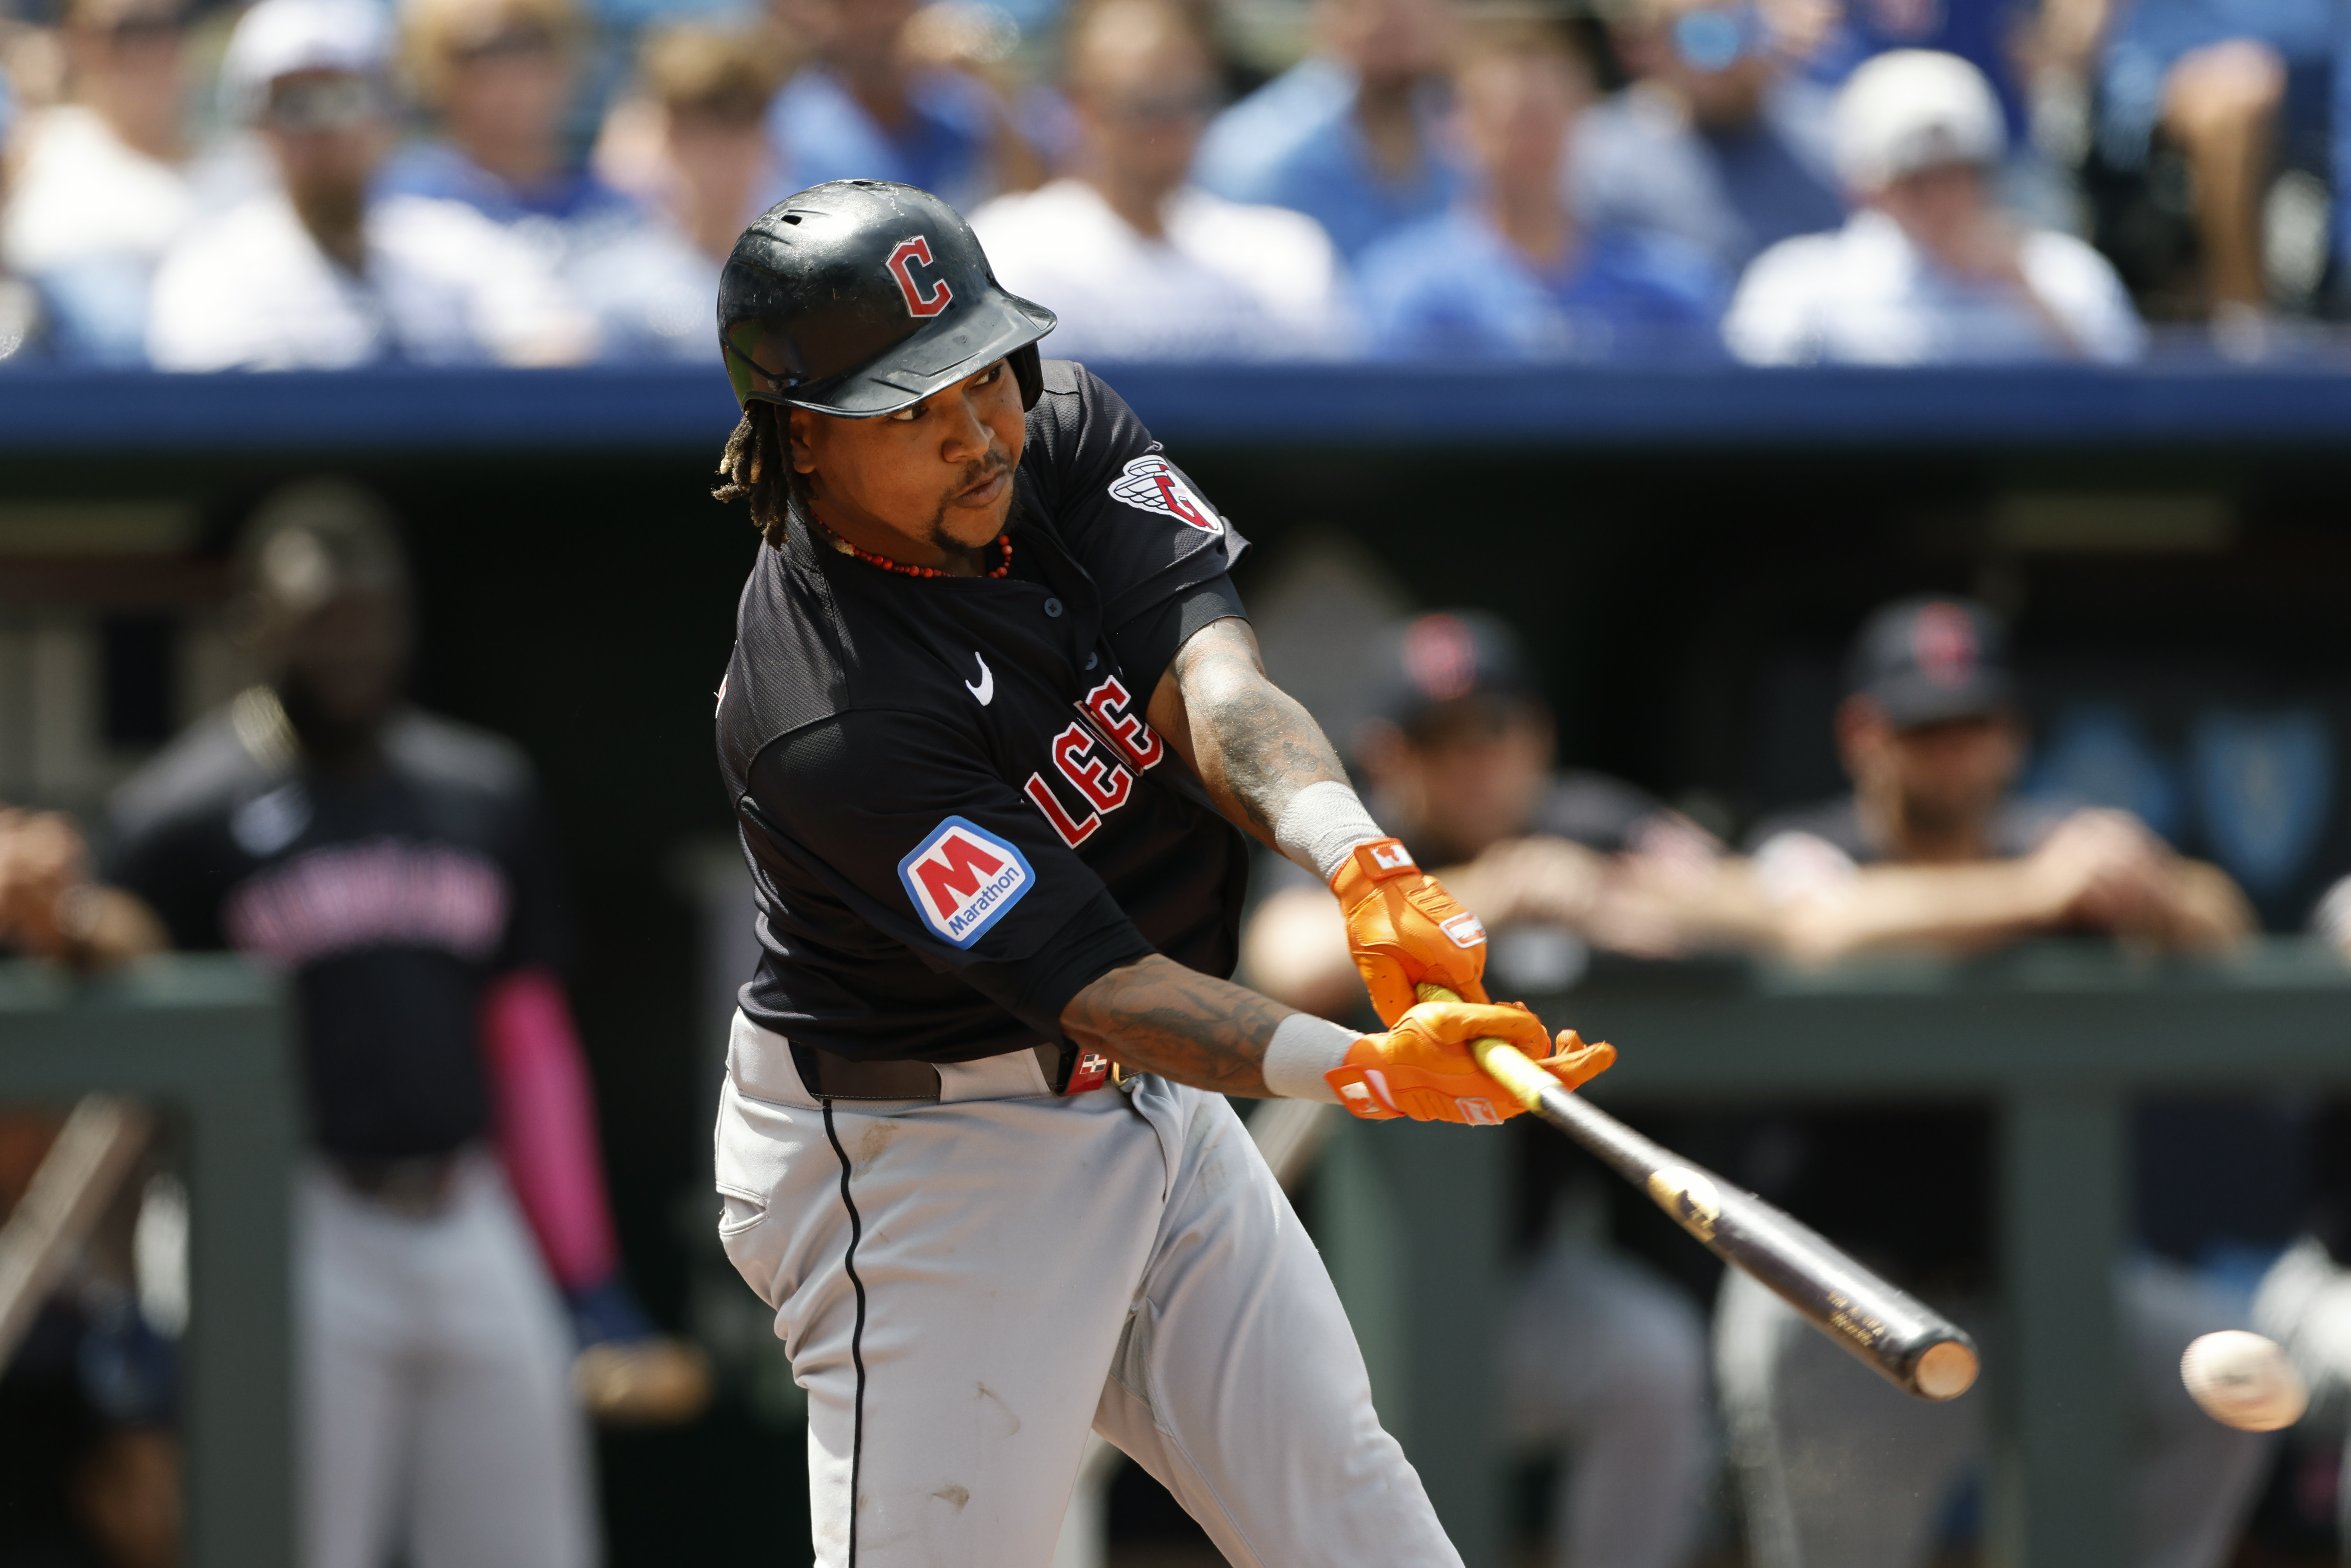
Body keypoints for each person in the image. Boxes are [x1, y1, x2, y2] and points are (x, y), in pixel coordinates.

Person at [707, 178, 1613, 1564]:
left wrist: (1357, 858)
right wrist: (1360, 1065)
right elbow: (1096, 984)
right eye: (912, 408)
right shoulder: (824, 712)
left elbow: (1212, 680)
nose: (974, 434)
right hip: (923, 1155)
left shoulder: (1058, 429)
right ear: (803, 442)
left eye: (983, 377)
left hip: (1150, 1100)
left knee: (1355, 1518)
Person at [0, 479, 709, 1568]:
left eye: (372, 618)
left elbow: (528, 1043)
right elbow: (136, 1013)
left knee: (531, 1545)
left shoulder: (480, 788)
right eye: (321, 620)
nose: (352, 646)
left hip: (465, 1204)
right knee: (299, 1542)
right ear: (256, 627)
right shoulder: (184, 809)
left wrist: (585, 1275)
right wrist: (75, 920)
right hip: (292, 1215)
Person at [1724, 594, 2266, 1568]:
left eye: (1974, 726)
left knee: (2215, 1383)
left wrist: (2154, 885)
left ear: (2011, 734)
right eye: (1926, 728)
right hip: (1848, 1294)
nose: (1955, 752)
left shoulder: (2052, 840)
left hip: (2043, 1279)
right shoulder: (1811, 844)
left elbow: (2225, 924)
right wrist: (2036, 891)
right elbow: (1822, 925)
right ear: (1864, 734)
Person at [1242, 609, 1753, 1568]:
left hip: (1515, 1282)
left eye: (1494, 731)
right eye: (1443, 740)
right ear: (1391, 753)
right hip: (1320, 1292)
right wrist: (1497, 892)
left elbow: (1756, 901)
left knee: (1651, 1358)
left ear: (1537, 738)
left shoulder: (1588, 823)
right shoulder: (1356, 843)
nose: (1475, 761)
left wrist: (1609, 894)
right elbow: (1281, 959)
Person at [145, 0, 591, 371]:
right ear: (253, 125)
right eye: (294, 105)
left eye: (346, 99)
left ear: (389, 116)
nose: (324, 128)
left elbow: (558, 354)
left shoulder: (456, 246)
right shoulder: (210, 272)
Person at [968, 0, 1346, 361]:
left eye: (1190, 101)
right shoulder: (1013, 253)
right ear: (1085, 108)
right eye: (1147, 106)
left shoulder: (1284, 256)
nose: (1172, 129)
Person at [1724, 49, 2146, 365]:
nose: (1946, 199)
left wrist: (2028, 294)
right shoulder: (1799, 285)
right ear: (1866, 189)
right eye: (1918, 182)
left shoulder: (2066, 275)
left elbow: (2132, 408)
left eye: (1963, 174)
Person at [1356, 21, 1727, 362]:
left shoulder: (1671, 288)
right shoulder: (1406, 288)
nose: (1532, 140)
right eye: (1511, 120)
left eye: (1549, 115)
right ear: (1458, 128)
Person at [1570, 0, 1846, 277]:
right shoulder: (1600, 161)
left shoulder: (1835, 143)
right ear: (1652, 45)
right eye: (1706, 35)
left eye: (1748, 26)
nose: (1733, 54)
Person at [0, 0, 196, 363]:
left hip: (217, 396)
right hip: (59, 394)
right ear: (77, 40)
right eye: (125, 31)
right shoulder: (31, 145)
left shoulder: (252, 167)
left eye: (164, 28)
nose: (146, 50)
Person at [1192, 0, 1463, 261]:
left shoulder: (1471, 136)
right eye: (1369, 7)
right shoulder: (1257, 157)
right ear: (1329, 16)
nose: (1396, 16)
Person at [764, 0, 1038, 213]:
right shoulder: (798, 128)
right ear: (832, 16)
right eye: (858, 7)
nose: (879, 22)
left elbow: (1029, 195)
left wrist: (981, 81)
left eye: (892, 5)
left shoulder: (956, 107)